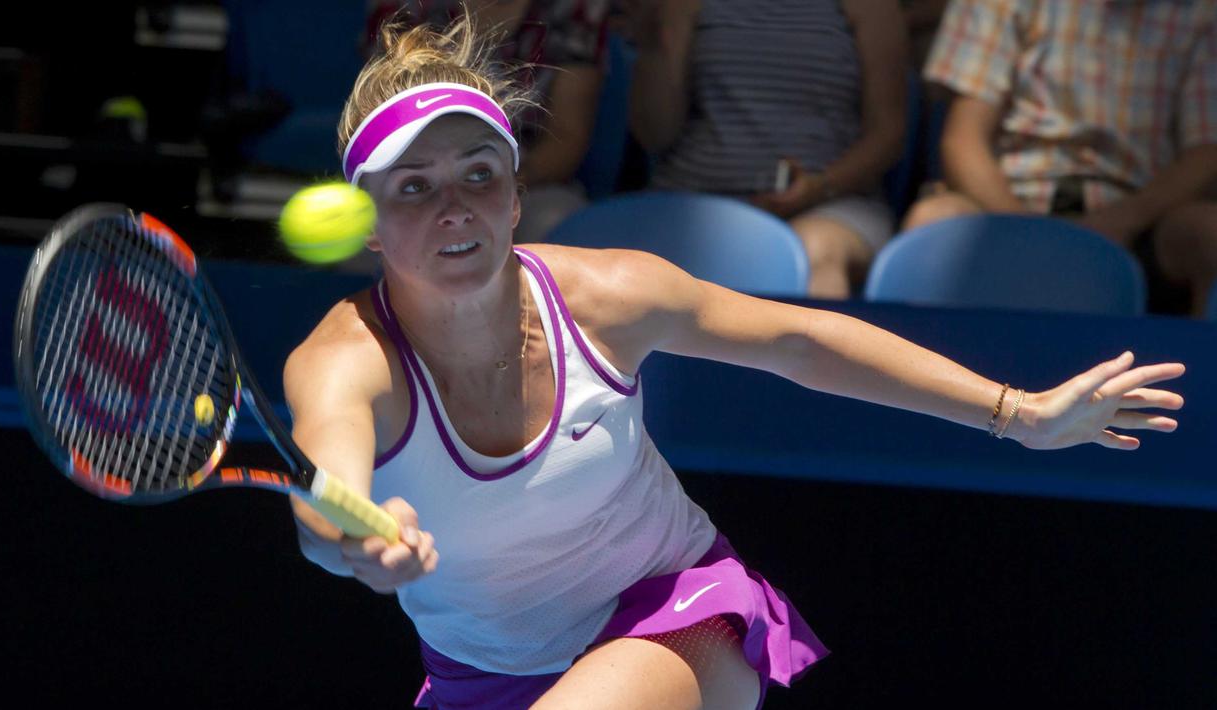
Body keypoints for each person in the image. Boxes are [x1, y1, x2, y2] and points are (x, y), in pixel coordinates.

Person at [284, 13, 1186, 710]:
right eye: (413, 186)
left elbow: (800, 342)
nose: (454, 205)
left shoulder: (609, 296)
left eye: (479, 172)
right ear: (364, 222)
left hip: (675, 613)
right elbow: (325, 496)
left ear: (518, 195)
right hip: (477, 675)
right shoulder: (343, 361)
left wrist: (1015, 413)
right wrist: (357, 540)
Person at [902, 0, 1217, 317]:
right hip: (1008, 203)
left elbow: (1205, 153)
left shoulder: (1203, 13)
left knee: (1210, 230)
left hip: (1139, 219)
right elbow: (962, 140)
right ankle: (913, 365)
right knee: (931, 220)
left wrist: (1123, 219)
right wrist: (1030, 232)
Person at [627, 0, 910, 299]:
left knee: (813, 251)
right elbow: (654, 135)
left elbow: (888, 135)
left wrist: (819, 187)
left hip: (829, 202)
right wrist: (654, 46)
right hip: (694, 200)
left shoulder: (869, 7)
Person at [363, 0, 611, 244]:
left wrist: (493, 185)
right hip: (415, 183)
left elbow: (567, 137)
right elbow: (381, 122)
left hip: (531, 183)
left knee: (555, 220)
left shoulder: (574, 10)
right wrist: (425, 189)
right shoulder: (406, 9)